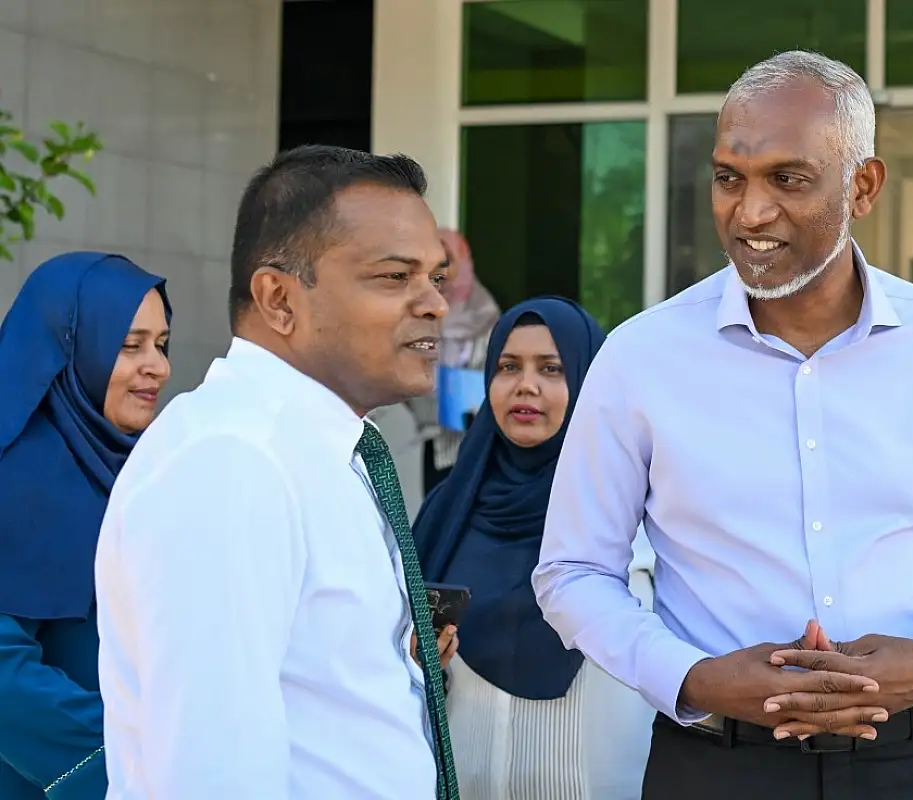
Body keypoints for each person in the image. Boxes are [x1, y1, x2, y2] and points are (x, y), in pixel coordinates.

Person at [534, 50, 913, 800]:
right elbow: (572, 571)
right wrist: (691, 677)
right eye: (729, 178)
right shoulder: (639, 356)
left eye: (787, 179)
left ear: (863, 186)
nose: (750, 212)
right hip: (715, 769)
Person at [94, 146, 460, 800]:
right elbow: (212, 777)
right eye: (394, 276)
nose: (434, 303)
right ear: (279, 299)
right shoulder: (229, 462)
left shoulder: (324, 446)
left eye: (436, 276)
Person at [412, 297, 655, 800]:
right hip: (459, 780)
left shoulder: (632, 513)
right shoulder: (445, 510)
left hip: (595, 783)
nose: (526, 385)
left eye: (551, 369)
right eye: (508, 367)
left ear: (589, 382)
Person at [0, 252, 171, 800]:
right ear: (69, 346)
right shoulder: (18, 476)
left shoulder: (134, 469)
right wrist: (126, 757)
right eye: (130, 345)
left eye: (161, 344)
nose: (158, 367)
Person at [413, 229, 501, 495]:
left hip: (481, 442)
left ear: (464, 258)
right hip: (431, 441)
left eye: (447, 259)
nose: (440, 270)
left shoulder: (487, 315)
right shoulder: (419, 310)